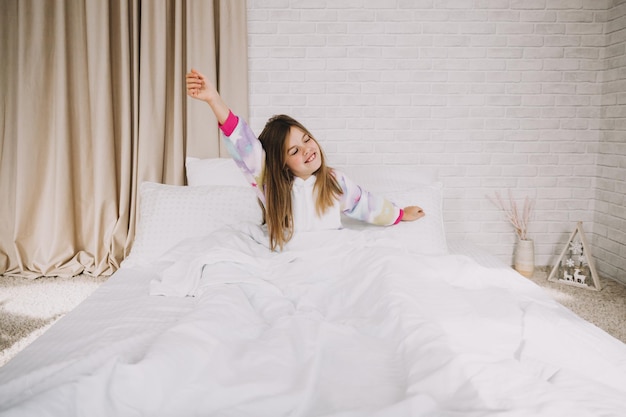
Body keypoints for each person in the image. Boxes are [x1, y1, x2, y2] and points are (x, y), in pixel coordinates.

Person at [186, 69, 425, 251]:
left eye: (307, 139)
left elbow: (366, 204)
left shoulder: (334, 181)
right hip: (289, 259)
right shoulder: (271, 183)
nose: (307, 150)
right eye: (293, 151)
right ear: (280, 164)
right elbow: (244, 144)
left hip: (330, 254)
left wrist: (400, 214)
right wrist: (214, 100)